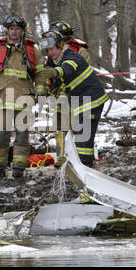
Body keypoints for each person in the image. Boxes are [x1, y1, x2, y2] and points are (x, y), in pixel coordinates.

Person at [0, 13, 51, 179]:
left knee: (22, 136)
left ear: (22, 30)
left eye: (17, 29)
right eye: (11, 29)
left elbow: (41, 74)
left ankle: (19, 168)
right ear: (7, 30)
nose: (14, 32)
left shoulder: (32, 50)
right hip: (2, 98)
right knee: (0, 136)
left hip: (24, 98)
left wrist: (40, 91)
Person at [40, 30, 108, 167]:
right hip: (83, 100)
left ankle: (84, 167)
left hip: (91, 99)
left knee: (83, 136)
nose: (50, 53)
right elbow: (66, 87)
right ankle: (84, 166)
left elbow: (67, 70)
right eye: (47, 51)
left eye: (51, 49)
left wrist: (53, 72)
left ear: (60, 45)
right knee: (82, 135)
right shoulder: (58, 61)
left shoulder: (71, 56)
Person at [46, 21, 91, 167]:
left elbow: (84, 73)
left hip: (75, 94)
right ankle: (61, 156)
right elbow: (49, 72)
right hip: (58, 94)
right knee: (58, 126)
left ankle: (77, 158)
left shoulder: (79, 51)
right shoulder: (52, 52)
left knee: (77, 126)